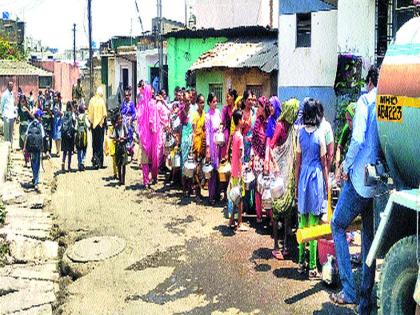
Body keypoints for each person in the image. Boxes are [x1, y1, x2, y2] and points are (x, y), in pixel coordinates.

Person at [330, 66, 380, 315]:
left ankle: (349, 291)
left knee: (337, 224)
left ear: (369, 81)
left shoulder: (365, 101)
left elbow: (358, 139)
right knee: (368, 237)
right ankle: (366, 297)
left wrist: (345, 166)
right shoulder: (386, 102)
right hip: (378, 182)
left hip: (360, 179)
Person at [295, 98, 329, 279]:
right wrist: (327, 185)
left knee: (303, 222)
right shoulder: (320, 135)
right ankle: (313, 268)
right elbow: (324, 164)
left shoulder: (299, 134)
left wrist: (296, 186)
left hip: (303, 180)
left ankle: (301, 263)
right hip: (316, 179)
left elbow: (297, 163)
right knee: (314, 225)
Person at [269, 98, 300, 260]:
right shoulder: (280, 126)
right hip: (280, 173)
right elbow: (272, 147)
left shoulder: (293, 128)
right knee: (276, 210)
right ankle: (275, 246)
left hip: (289, 174)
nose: (296, 114)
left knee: (288, 210)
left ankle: (286, 245)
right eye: (295, 111)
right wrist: (275, 166)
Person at [251, 96, 271, 223]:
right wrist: (254, 156)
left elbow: (270, 142)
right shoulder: (257, 122)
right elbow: (254, 139)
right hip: (258, 159)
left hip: (267, 160)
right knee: (258, 188)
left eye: (259, 106)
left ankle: (269, 215)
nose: (257, 109)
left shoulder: (270, 123)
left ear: (263, 108)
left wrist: (267, 159)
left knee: (268, 188)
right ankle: (259, 215)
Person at [228, 109, 247, 231]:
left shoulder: (235, 135)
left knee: (235, 196)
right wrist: (243, 169)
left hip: (234, 169)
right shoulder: (239, 136)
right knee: (239, 197)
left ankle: (231, 221)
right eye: (243, 119)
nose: (244, 121)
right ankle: (239, 223)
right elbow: (240, 155)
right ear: (239, 121)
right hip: (238, 171)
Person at [205, 92, 222, 205]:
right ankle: (211, 196)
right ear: (210, 102)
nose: (216, 103)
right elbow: (207, 132)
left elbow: (221, 124)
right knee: (211, 170)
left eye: (216, 101)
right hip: (211, 142)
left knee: (218, 169)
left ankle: (217, 193)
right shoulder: (208, 115)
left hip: (218, 142)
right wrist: (208, 148)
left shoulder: (218, 112)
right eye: (214, 101)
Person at [24, 109, 45, 192]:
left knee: (33, 163)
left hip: (31, 147)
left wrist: (25, 148)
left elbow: (26, 136)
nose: (42, 118)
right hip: (38, 147)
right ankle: (36, 182)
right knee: (38, 163)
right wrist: (43, 148)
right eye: (41, 116)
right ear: (38, 117)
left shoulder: (30, 124)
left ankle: (34, 178)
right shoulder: (40, 125)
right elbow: (43, 137)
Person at [137, 85, 153, 189]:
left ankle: (146, 180)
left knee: (144, 161)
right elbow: (153, 123)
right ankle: (149, 178)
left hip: (143, 137)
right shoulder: (152, 105)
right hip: (151, 138)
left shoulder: (141, 105)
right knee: (150, 160)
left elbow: (138, 119)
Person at [88, 87, 107, 169]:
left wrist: (91, 123)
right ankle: (100, 162)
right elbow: (104, 114)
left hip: (94, 125)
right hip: (101, 125)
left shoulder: (91, 101)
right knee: (100, 143)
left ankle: (95, 160)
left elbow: (89, 114)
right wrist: (105, 125)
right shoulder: (102, 101)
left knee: (94, 143)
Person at [180, 90, 195, 196]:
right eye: (185, 101)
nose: (187, 102)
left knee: (192, 163)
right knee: (184, 163)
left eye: (188, 100)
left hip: (192, 138)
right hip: (184, 139)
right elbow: (181, 127)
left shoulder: (193, 110)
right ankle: (185, 187)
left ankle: (191, 187)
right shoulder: (181, 111)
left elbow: (194, 127)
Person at [334, 102, 356, 175]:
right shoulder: (347, 128)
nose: (348, 122)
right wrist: (337, 166)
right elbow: (339, 147)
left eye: (350, 120)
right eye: (347, 120)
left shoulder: (362, 129)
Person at [191, 94, 206, 200]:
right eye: (201, 102)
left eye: (203, 102)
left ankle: (200, 190)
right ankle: (196, 192)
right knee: (196, 169)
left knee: (201, 169)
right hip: (196, 144)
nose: (203, 104)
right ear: (197, 103)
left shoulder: (204, 114)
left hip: (203, 144)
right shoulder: (195, 115)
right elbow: (194, 131)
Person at [111, 113, 129, 185]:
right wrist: (117, 139)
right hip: (118, 147)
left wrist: (124, 138)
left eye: (121, 119)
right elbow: (114, 137)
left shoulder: (124, 127)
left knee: (123, 164)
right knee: (118, 163)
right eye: (119, 119)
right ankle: (120, 179)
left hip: (123, 147)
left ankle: (123, 180)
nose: (120, 120)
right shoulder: (115, 128)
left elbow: (127, 136)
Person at [17, 95, 34, 167]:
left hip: (27, 127)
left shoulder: (27, 108)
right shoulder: (18, 108)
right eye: (21, 101)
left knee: (26, 144)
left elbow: (32, 117)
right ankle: (26, 161)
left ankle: (28, 160)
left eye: (23, 101)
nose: (22, 103)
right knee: (22, 145)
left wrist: (27, 110)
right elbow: (18, 117)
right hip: (21, 127)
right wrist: (17, 119)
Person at [120, 89, 136, 158]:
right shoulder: (123, 103)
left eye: (128, 95)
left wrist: (131, 118)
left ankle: (131, 152)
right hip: (123, 121)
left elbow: (134, 113)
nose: (126, 97)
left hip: (129, 122)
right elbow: (121, 110)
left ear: (130, 95)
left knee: (130, 135)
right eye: (125, 95)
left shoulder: (131, 103)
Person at [61, 102, 76, 172]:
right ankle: (69, 167)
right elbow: (74, 123)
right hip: (70, 134)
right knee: (70, 151)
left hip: (64, 134)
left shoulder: (64, 114)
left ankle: (63, 165)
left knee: (64, 151)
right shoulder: (72, 114)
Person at [1, 81, 17, 146]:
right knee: (6, 132)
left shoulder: (12, 94)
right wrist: (1, 114)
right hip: (6, 115)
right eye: (10, 85)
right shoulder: (4, 94)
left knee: (11, 132)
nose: (12, 87)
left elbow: (13, 105)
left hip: (11, 116)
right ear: (8, 86)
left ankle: (11, 146)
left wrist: (15, 114)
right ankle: (6, 146)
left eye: (12, 86)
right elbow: (2, 104)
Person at [75, 105, 89, 171]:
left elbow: (75, 127)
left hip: (78, 136)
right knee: (84, 150)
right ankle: (82, 163)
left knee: (78, 150)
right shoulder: (85, 117)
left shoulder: (77, 118)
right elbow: (88, 125)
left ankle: (79, 163)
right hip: (84, 136)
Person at [52, 93, 63, 157]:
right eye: (54, 96)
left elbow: (62, 113)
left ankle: (59, 151)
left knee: (59, 137)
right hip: (55, 121)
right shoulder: (53, 104)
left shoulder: (61, 104)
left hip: (59, 121)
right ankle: (57, 150)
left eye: (56, 96)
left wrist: (59, 111)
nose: (55, 98)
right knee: (56, 137)